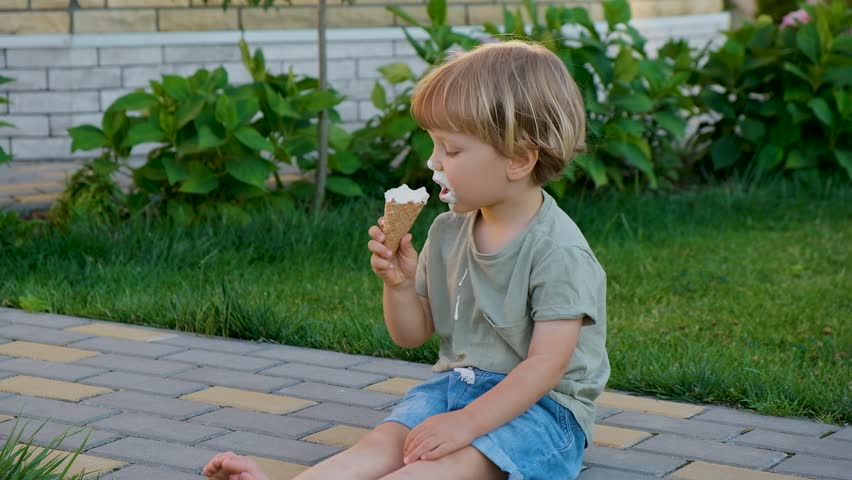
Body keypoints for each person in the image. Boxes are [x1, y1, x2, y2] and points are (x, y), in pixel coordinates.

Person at [203, 39, 608, 480]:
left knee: (453, 464)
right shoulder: (448, 230)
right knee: (386, 442)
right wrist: (398, 284)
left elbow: (546, 366)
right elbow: (412, 334)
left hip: (542, 411)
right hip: (459, 387)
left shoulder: (558, 251)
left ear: (519, 159)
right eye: (434, 145)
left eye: (451, 150)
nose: (433, 161)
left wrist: (466, 424)